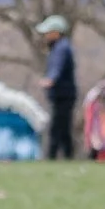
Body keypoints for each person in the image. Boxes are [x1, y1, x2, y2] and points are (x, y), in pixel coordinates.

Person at [39, 17, 78, 161]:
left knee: (57, 128)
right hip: (62, 94)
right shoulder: (58, 47)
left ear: (56, 32)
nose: (45, 36)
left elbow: (57, 67)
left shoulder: (61, 48)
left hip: (63, 94)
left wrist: (51, 80)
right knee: (63, 129)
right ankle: (68, 156)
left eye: (48, 32)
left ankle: (52, 157)